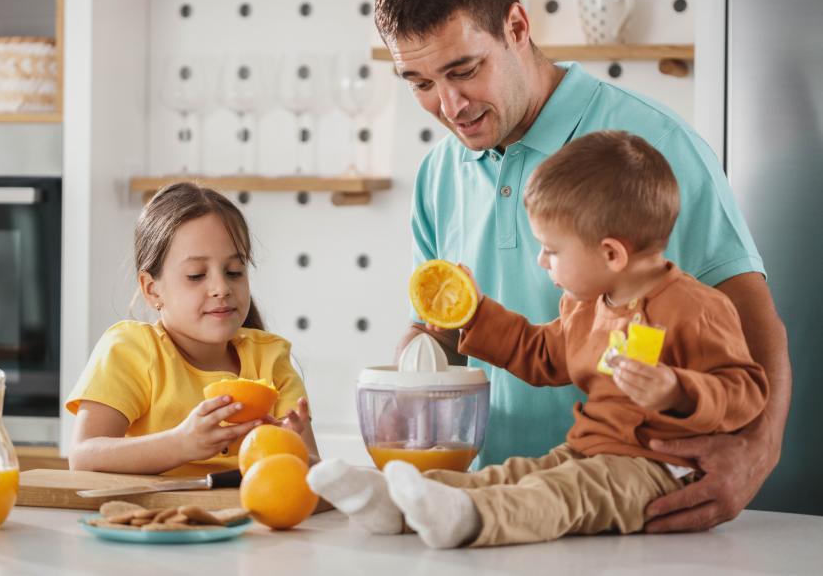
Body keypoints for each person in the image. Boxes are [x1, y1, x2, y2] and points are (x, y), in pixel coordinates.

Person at [377, 0, 790, 533]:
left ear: (517, 25)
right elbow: (441, 331)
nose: (449, 105)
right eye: (418, 82)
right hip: (489, 512)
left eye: (464, 70)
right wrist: (409, 374)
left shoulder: (652, 146)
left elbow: (753, 323)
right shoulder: (437, 174)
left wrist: (758, 451)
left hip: (635, 501)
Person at [308, 130, 769, 548]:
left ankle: (470, 520)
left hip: (659, 469)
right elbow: (541, 354)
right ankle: (395, 503)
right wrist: (476, 313)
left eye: (551, 250)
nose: (543, 263)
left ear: (611, 253)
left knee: (561, 494)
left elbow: (746, 390)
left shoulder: (697, 309)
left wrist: (678, 390)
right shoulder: (588, 305)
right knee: (514, 474)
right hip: (590, 450)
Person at [66, 182, 317, 474]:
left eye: (234, 272)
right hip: (156, 518)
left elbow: (314, 470)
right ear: (152, 290)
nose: (221, 288)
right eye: (196, 275)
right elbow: (83, 457)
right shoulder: (131, 350)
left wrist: (286, 450)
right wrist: (181, 443)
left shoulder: (271, 359)